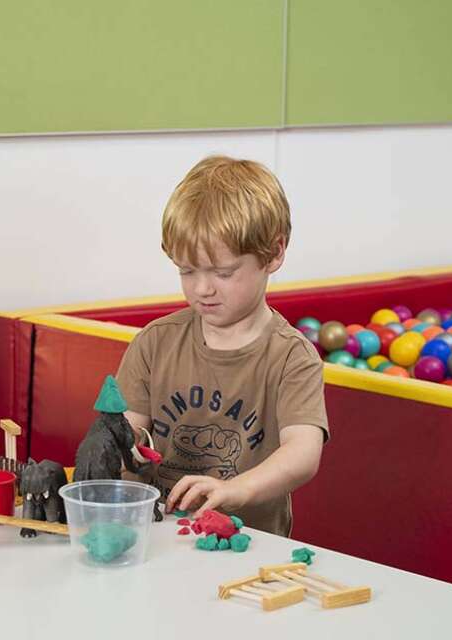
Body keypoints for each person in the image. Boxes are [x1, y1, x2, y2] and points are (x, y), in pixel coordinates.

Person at [115, 155, 326, 537]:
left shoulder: (292, 356)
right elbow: (122, 431)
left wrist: (235, 490)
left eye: (224, 272)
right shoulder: (154, 343)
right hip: (158, 536)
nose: (202, 288)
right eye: (187, 270)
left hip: (247, 544)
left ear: (274, 253)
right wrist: (111, 446)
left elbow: (303, 453)